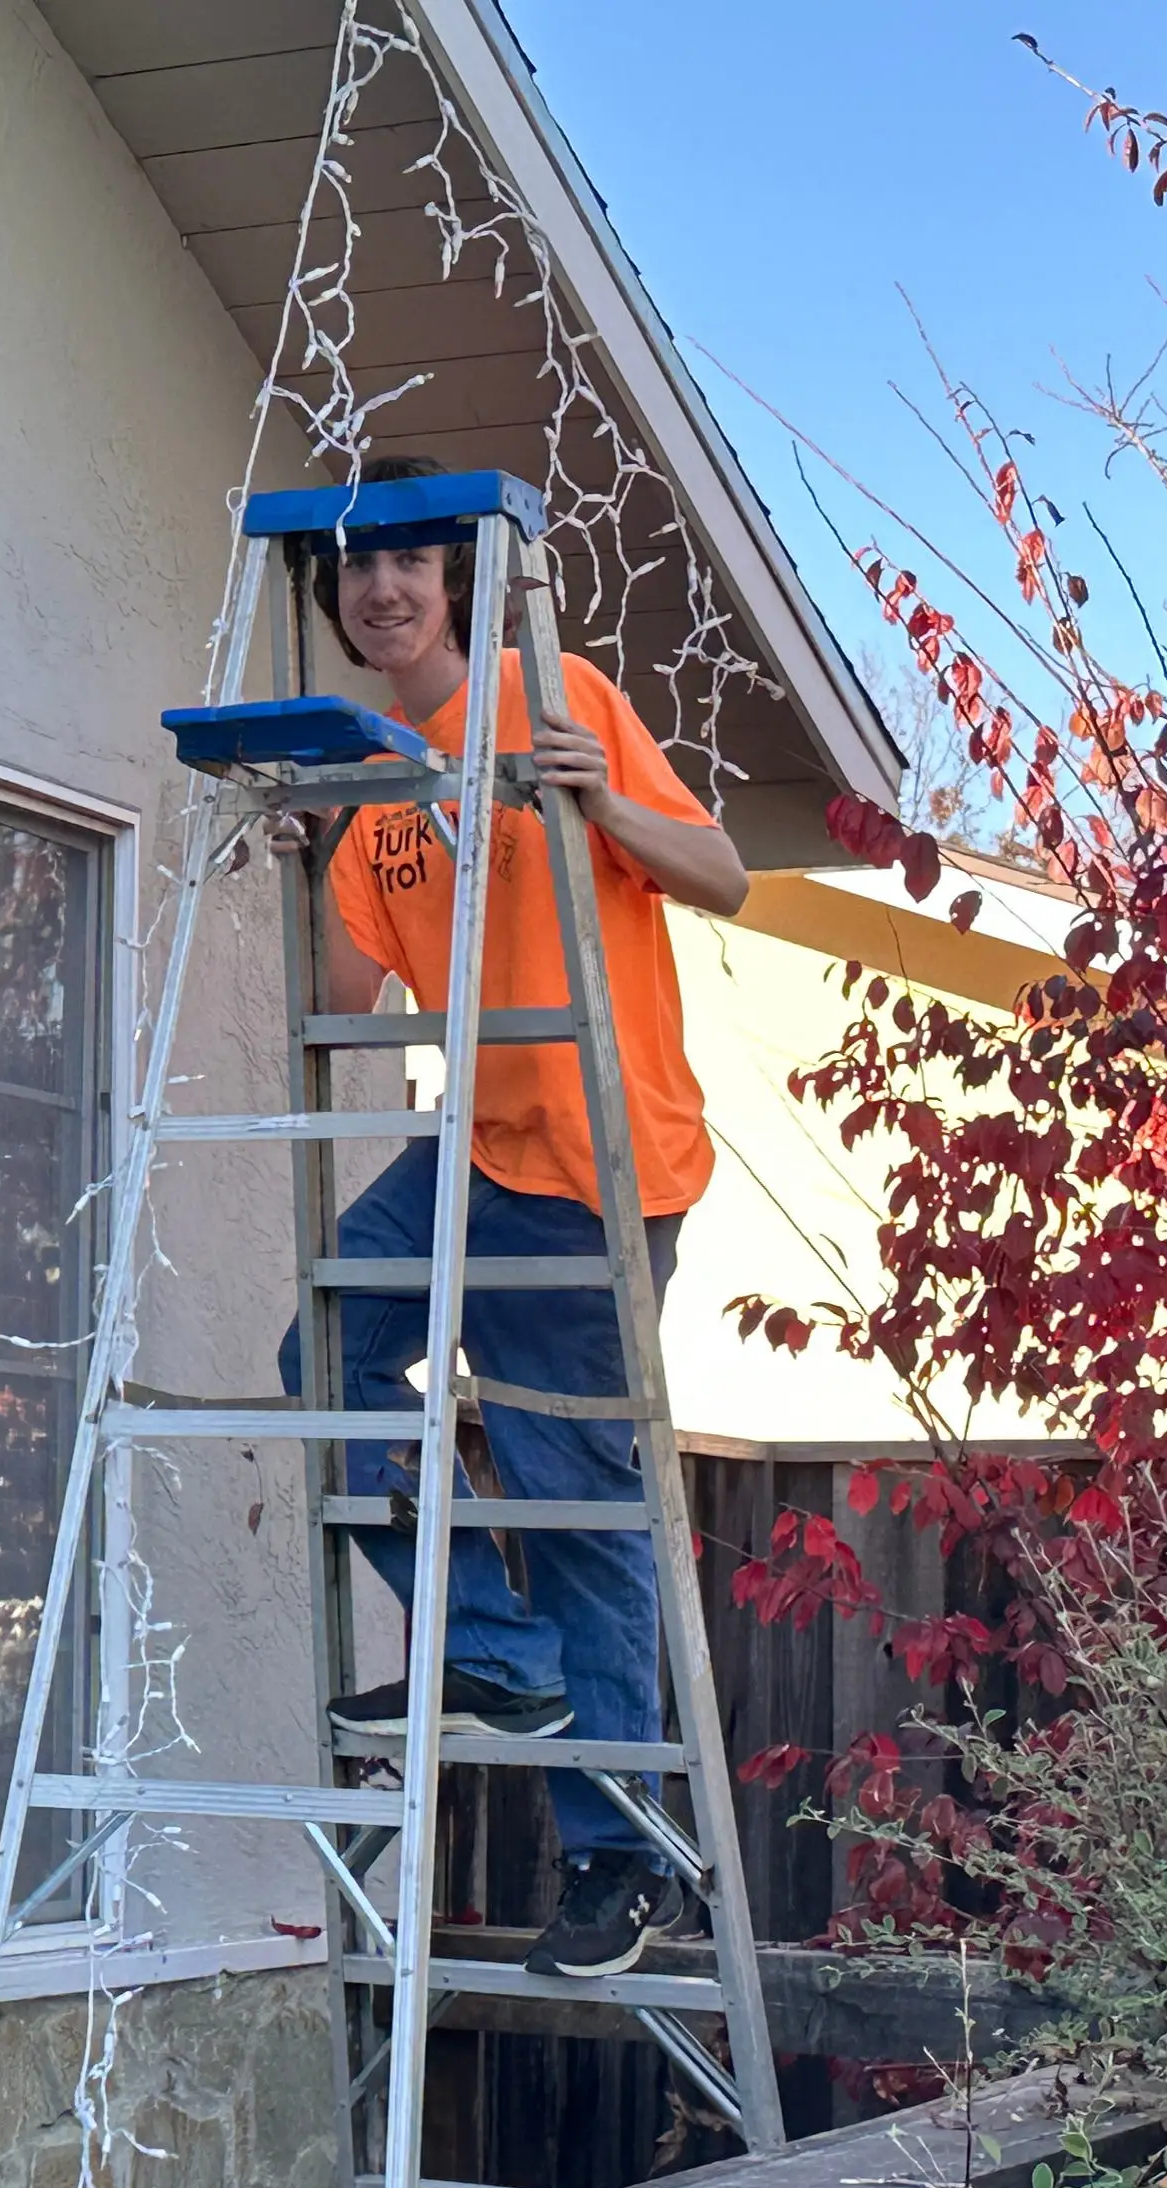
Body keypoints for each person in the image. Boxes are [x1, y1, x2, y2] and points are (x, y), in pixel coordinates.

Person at [271, 456, 748, 1981]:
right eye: (353, 570)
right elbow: (349, 1008)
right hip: (469, 1151)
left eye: (407, 559)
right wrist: (310, 842)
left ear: (453, 578)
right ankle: (487, 1647)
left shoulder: (557, 696)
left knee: (572, 1501)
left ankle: (615, 1865)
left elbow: (723, 875)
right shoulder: (382, 790)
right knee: (325, 1350)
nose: (380, 588)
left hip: (601, 1163)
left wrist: (593, 794)